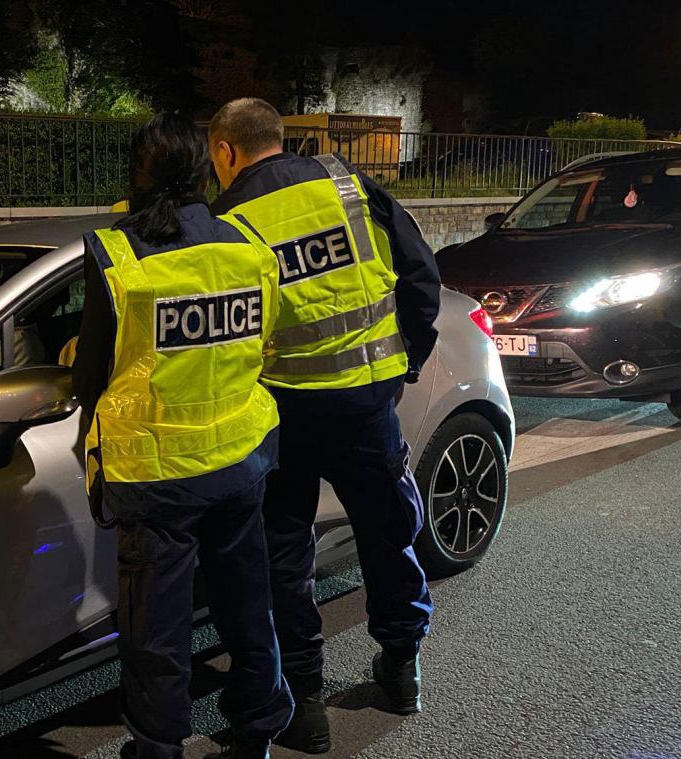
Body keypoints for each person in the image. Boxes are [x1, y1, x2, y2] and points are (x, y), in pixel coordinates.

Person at [207, 98, 441, 753]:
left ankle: (304, 705)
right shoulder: (347, 181)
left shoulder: (227, 220)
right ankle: (401, 669)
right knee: (387, 532)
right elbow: (421, 278)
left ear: (225, 151)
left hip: (282, 415)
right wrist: (405, 363)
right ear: (281, 140)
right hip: (366, 403)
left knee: (285, 556)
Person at [72, 112, 294, 759]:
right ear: (204, 170)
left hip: (158, 476)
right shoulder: (246, 248)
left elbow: (91, 374)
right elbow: (262, 343)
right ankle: (259, 726)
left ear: (136, 176)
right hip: (237, 462)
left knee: (158, 631)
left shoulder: (116, 253)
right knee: (247, 603)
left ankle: (158, 746)